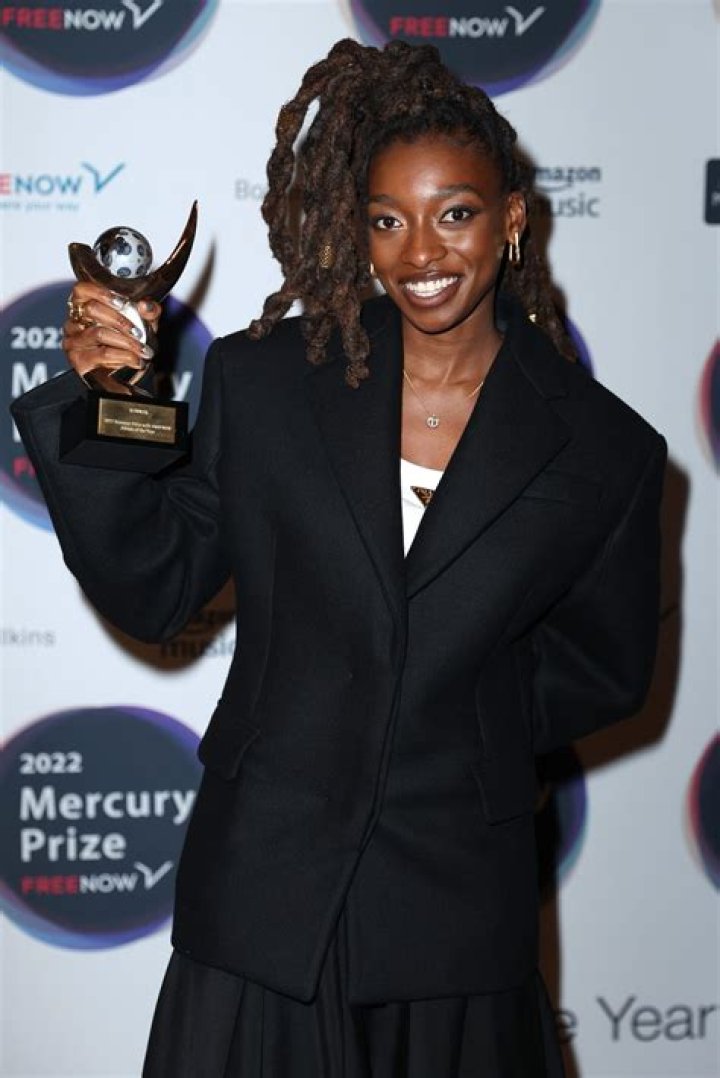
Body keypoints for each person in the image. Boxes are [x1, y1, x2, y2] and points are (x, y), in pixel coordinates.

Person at [12, 38, 666, 1078]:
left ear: (511, 219)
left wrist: (457, 726)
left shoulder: (605, 448)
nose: (420, 252)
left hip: (455, 913)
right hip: (263, 901)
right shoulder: (268, 380)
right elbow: (157, 583)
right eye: (386, 220)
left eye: (454, 213)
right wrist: (113, 404)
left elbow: (603, 667)